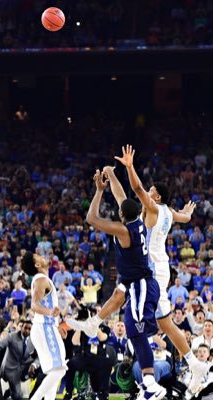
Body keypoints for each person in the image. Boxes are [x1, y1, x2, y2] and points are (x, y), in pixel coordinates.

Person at [75, 149, 208, 396]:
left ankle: (155, 376)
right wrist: (188, 215)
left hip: (151, 271)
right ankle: (193, 363)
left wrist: (129, 166)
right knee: (149, 313)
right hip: (152, 268)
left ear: (156, 197)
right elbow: (180, 216)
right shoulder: (169, 212)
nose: (148, 192)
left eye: (152, 192)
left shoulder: (155, 209)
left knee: (144, 321)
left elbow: (135, 190)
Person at [68, 168, 166, 400]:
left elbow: (92, 218)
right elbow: (121, 196)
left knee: (137, 332)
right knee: (117, 300)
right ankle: (94, 322)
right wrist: (111, 175)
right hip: (134, 282)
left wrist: (99, 191)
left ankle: (151, 384)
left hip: (141, 285)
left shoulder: (123, 230)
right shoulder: (136, 220)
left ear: (122, 215)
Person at [21, 251, 67, 400]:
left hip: (46, 328)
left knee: (53, 371)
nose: (42, 256)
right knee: (60, 369)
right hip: (44, 328)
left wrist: (58, 324)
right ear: (37, 264)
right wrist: (50, 312)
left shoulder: (43, 279)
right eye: (38, 256)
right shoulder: (41, 280)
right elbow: (34, 305)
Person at [0, 320, 36, 400]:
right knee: (17, 396)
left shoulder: (34, 340)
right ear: (21, 328)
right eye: (25, 328)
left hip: (24, 368)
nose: (27, 330)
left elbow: (38, 355)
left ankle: (10, 391)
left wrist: (34, 365)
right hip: (11, 369)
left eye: (29, 329)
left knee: (40, 367)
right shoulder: (12, 336)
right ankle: (11, 392)